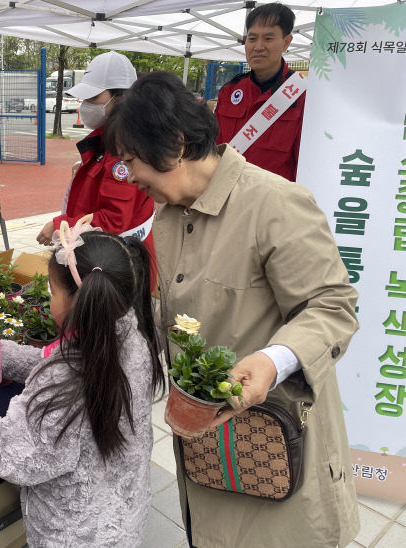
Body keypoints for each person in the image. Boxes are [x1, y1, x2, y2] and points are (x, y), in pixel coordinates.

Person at [106, 71, 360, 548]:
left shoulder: (276, 204)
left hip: (277, 442)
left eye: (131, 161)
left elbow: (333, 307)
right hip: (211, 444)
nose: (130, 178)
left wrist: (272, 360)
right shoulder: (169, 213)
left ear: (176, 144)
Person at [0, 223, 165, 546]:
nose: (50, 301)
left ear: (78, 301)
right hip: (122, 517)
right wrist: (0, 353)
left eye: (53, 293)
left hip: (71, 534)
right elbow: (67, 368)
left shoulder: (63, 384)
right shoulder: (130, 338)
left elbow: (1, 451)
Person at [36, 51, 157, 265]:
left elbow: (114, 220)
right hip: (98, 256)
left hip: (118, 268)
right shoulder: (107, 139)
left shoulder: (125, 148)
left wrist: (61, 225)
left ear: (120, 97)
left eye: (94, 97)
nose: (86, 104)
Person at [215, 3, 304, 181]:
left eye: (268, 38)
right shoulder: (230, 90)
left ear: (286, 42)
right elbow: (213, 148)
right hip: (227, 197)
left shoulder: (302, 95)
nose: (258, 46)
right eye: (252, 38)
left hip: (276, 202)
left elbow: (305, 164)